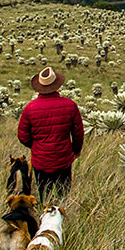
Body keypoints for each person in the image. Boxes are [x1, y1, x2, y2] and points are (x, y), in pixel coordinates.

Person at [16, 66, 84, 200]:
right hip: (63, 158)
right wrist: (75, 150)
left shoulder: (30, 108)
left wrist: (36, 146)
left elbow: (22, 136)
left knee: (43, 195)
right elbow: (78, 133)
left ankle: (43, 214)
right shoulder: (70, 105)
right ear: (57, 85)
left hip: (40, 160)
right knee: (63, 195)